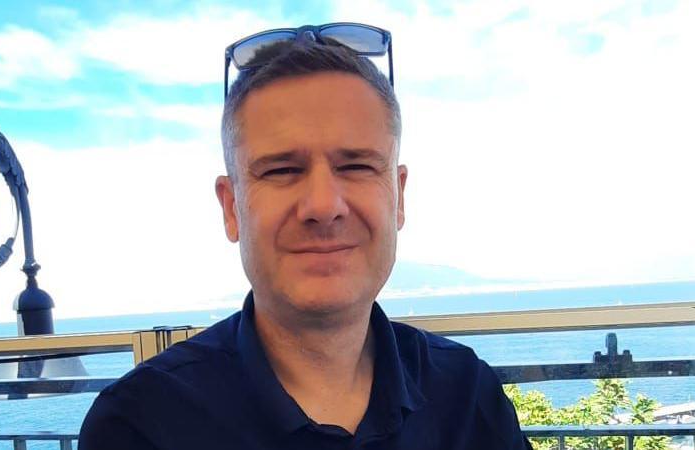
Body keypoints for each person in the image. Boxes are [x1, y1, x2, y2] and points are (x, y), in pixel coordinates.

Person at [79, 23, 532, 450]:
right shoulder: (143, 424)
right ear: (231, 207)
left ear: (398, 197)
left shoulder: (467, 397)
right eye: (282, 170)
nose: (322, 206)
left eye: (355, 166)